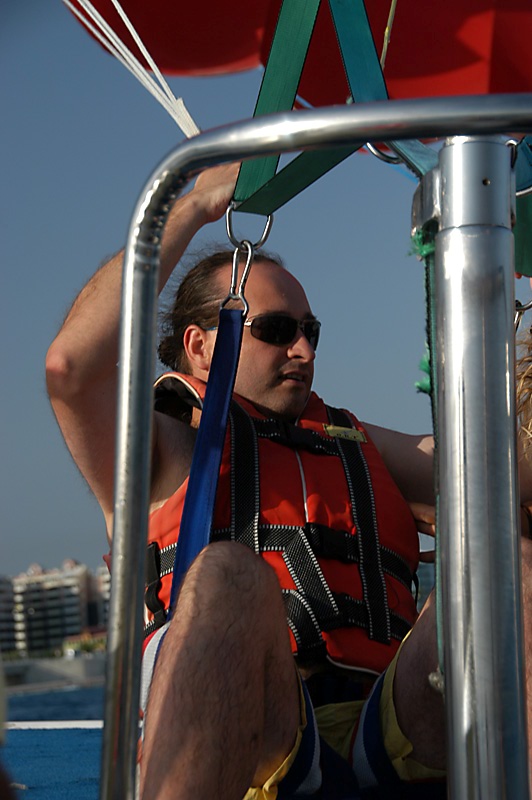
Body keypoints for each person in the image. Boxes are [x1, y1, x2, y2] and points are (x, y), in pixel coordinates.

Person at [46, 164, 531, 798]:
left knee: (507, 563)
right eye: (276, 331)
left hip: (390, 726)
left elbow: (501, 473)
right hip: (263, 734)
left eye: (310, 331)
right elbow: (71, 369)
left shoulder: (352, 441)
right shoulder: (163, 448)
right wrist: (192, 207)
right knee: (227, 575)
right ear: (199, 346)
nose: (303, 349)